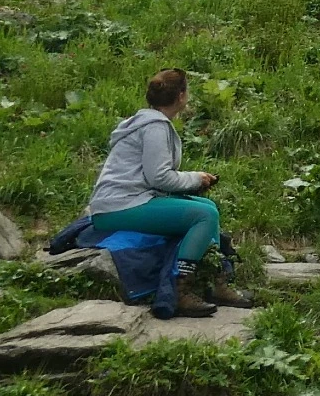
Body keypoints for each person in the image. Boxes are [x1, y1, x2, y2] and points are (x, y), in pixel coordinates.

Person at [86, 68, 233, 319]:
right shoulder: (154, 127)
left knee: (209, 209)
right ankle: (180, 291)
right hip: (119, 206)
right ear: (181, 96)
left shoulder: (144, 122)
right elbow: (159, 177)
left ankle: (216, 281)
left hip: (127, 199)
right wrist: (195, 178)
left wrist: (194, 182)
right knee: (203, 216)